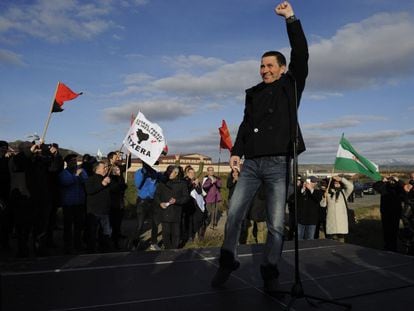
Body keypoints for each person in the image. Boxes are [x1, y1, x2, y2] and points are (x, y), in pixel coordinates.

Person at [211, 1, 308, 293]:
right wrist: (236, 152)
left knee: (276, 225)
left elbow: (301, 54)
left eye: (269, 66)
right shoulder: (253, 93)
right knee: (234, 216)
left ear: (282, 69)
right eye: (261, 65)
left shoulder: (290, 86)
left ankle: (270, 272)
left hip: (279, 163)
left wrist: (290, 19)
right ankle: (228, 261)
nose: (264, 69)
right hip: (251, 163)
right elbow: (244, 124)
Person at [154, 165, 189, 249]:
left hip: (176, 212)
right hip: (165, 211)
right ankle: (167, 249)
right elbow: (156, 195)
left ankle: (174, 250)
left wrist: (176, 201)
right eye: (168, 172)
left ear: (176, 173)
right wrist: (160, 203)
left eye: (171, 172)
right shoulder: (163, 183)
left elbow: (186, 197)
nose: (169, 174)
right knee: (166, 233)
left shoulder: (182, 184)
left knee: (176, 233)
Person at [59, 154, 88, 253]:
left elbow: (86, 180)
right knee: (68, 226)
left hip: (79, 203)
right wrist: (76, 176)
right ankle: (67, 246)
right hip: (68, 204)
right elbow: (66, 182)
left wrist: (80, 174)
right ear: (67, 162)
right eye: (72, 161)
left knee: (79, 226)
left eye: (75, 160)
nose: (74, 162)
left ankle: (78, 244)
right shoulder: (63, 173)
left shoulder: (81, 171)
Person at [133, 161, 164, 251]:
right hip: (142, 201)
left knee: (155, 223)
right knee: (140, 224)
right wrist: (144, 176)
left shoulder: (155, 172)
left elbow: (163, 179)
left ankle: (153, 243)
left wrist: (161, 174)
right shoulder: (139, 172)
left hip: (153, 201)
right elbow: (138, 185)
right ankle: (135, 243)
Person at [84, 161, 112, 252]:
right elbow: (89, 191)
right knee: (92, 232)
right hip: (94, 211)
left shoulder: (107, 178)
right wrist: (102, 184)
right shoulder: (90, 179)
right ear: (97, 169)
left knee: (105, 232)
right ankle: (91, 250)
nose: (106, 169)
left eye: (106, 167)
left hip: (105, 210)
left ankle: (104, 248)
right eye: (103, 167)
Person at [373, 176, 404, 252]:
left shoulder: (398, 188)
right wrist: (383, 181)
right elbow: (375, 186)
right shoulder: (384, 187)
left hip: (395, 213)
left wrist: (398, 180)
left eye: (393, 181)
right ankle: (387, 247)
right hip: (385, 212)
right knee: (386, 230)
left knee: (394, 231)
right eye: (391, 181)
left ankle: (393, 247)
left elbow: (405, 187)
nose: (392, 182)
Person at [320, 176, 354, 243]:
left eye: (338, 183)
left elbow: (351, 186)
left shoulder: (344, 193)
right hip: (331, 222)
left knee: (341, 243)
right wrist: (324, 197)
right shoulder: (328, 193)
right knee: (331, 242)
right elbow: (322, 205)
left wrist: (341, 179)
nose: (337, 184)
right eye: (335, 183)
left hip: (341, 223)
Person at [295, 176, 322, 240]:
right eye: (311, 182)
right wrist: (303, 190)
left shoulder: (318, 192)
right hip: (300, 220)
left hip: (311, 221)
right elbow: (295, 199)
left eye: (315, 182)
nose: (314, 183)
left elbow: (318, 199)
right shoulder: (300, 191)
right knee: (299, 238)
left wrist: (311, 189)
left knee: (310, 239)